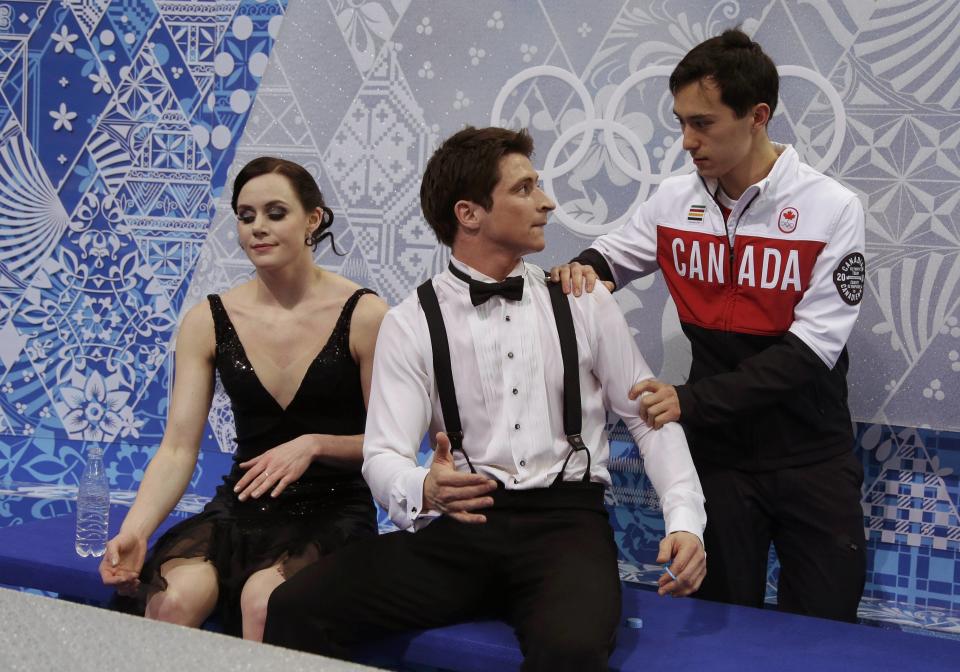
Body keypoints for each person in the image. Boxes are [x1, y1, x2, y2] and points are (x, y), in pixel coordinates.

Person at [262, 127, 706, 671]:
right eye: (524, 189)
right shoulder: (410, 321)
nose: (546, 202)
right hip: (464, 524)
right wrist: (423, 485)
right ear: (469, 214)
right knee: (295, 607)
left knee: (570, 651)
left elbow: (649, 419)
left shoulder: (583, 301)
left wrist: (684, 520)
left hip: (565, 528)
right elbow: (383, 456)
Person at [552, 28, 867, 622]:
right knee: (723, 629)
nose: (687, 142)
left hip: (811, 460)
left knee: (824, 638)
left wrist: (690, 400)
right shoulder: (674, 200)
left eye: (703, 124)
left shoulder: (833, 208)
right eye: (680, 124)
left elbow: (809, 353)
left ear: (757, 116)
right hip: (718, 465)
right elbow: (607, 260)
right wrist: (569, 275)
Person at [98, 156, 388, 640]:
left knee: (264, 602)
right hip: (242, 510)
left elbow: (390, 442)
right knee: (172, 600)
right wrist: (136, 531)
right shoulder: (207, 319)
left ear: (313, 219)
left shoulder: (366, 314)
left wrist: (316, 444)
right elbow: (176, 449)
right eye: (246, 215)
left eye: (276, 213)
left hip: (333, 513)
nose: (258, 227)